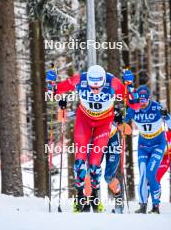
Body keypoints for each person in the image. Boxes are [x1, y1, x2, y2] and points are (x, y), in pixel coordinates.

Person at [46, 65, 139, 212]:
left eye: (98, 88)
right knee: (79, 163)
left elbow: (134, 104)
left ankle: (95, 198)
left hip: (104, 124)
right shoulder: (80, 79)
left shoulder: (113, 82)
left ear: (103, 82)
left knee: (95, 165)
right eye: (92, 88)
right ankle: (80, 198)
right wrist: (51, 84)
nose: (95, 91)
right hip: (84, 121)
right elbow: (54, 92)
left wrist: (130, 86)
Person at [125, 85, 171, 214]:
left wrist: (166, 116)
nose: (142, 103)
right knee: (143, 175)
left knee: (151, 173)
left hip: (158, 144)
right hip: (143, 146)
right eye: (140, 100)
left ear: (149, 98)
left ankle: (156, 205)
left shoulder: (157, 107)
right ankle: (143, 205)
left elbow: (170, 124)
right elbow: (123, 120)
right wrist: (120, 117)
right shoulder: (134, 108)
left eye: (145, 100)